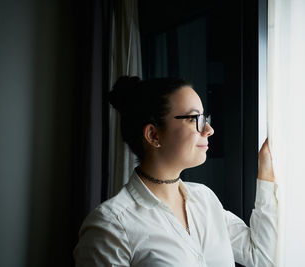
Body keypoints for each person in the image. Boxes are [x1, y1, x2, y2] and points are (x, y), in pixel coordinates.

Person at [73, 76, 278, 267]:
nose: (208, 129)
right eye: (193, 118)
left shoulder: (205, 199)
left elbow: (261, 256)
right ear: (153, 135)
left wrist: (266, 168)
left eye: (204, 117)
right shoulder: (111, 227)